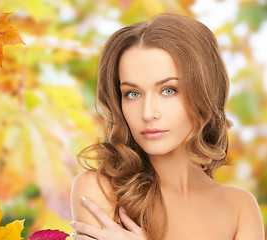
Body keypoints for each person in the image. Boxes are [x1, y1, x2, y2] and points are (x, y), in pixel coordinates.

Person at [69, 13, 264, 240]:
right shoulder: (100, 189)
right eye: (132, 94)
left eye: (169, 90)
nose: (148, 113)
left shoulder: (240, 207)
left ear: (205, 91)